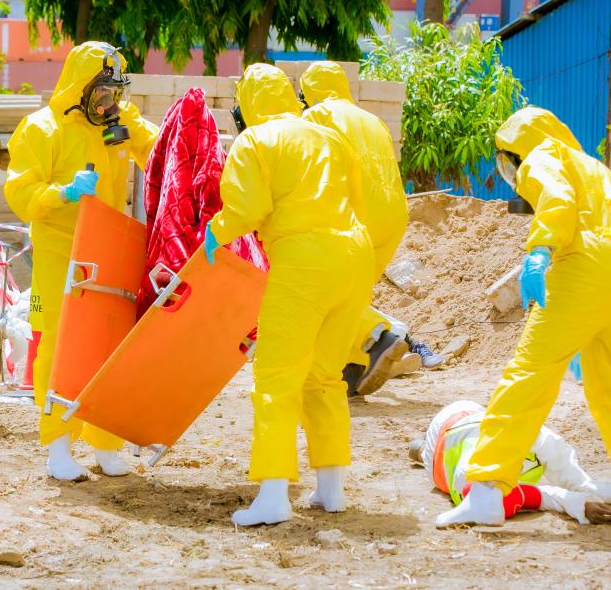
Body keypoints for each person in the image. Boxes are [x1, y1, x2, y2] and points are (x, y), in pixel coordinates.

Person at [205, 63, 373, 526]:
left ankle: (275, 496)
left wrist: (213, 233)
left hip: (304, 260)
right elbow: (359, 203)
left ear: (249, 104)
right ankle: (331, 489)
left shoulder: (255, 141)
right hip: (355, 257)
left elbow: (247, 209)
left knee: (277, 377)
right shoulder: (330, 137)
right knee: (324, 377)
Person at [437, 106, 611, 527]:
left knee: (529, 373)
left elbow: (558, 200)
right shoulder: (591, 164)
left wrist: (540, 250)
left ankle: (486, 489)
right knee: (606, 378)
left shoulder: (540, 156)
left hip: (582, 262)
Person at [4, 42, 159, 482]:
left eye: (114, 93)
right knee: (59, 346)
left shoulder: (117, 122)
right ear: (80, 86)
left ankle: (105, 446)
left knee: (110, 347)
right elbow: (20, 194)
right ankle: (58, 446)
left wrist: (135, 135)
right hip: (59, 248)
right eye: (101, 92)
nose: (108, 102)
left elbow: (160, 152)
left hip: (110, 244)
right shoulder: (41, 128)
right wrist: (64, 193)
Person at [300, 61, 442, 397]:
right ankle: (353, 368)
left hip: (355, 214)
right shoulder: (371, 119)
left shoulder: (317, 116)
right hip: (392, 215)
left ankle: (380, 336)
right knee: (356, 293)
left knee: (329, 294)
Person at [414, 400, 611, 525]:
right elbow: (537, 496)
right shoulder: (475, 478)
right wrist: (579, 505)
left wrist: (589, 493)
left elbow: (573, 476)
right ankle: (422, 451)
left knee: (556, 464)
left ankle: (421, 451)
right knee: (429, 457)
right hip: (439, 449)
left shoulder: (536, 436)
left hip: (468, 414)